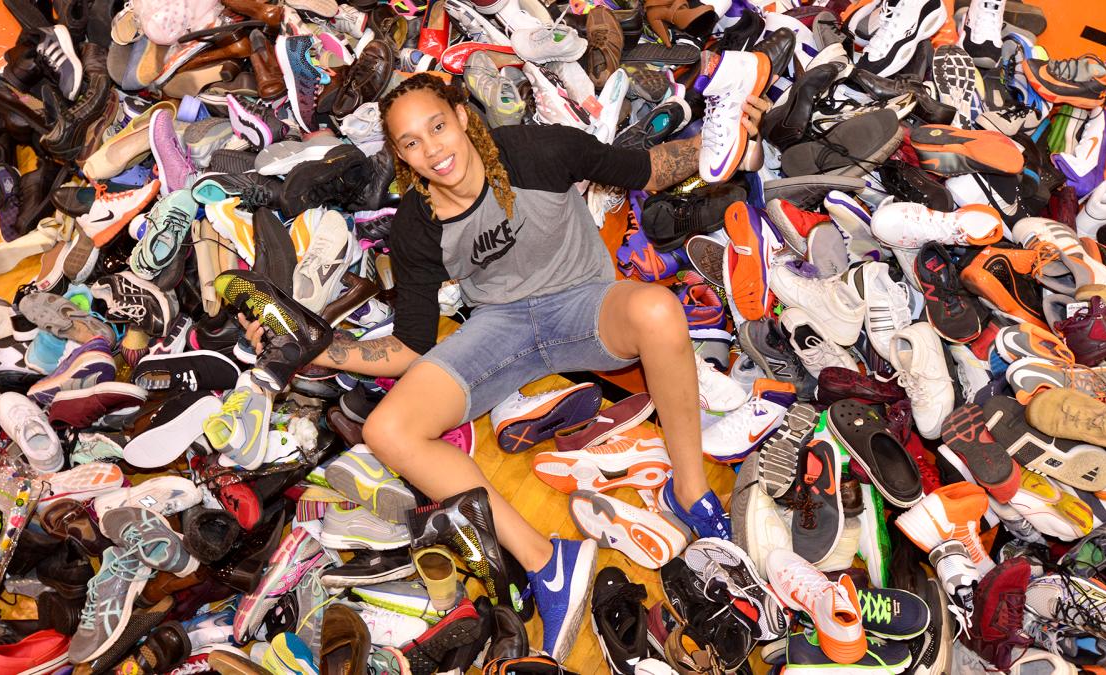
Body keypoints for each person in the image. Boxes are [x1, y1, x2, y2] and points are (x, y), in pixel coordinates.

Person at [241, 72, 764, 660]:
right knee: (388, 429)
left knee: (659, 310)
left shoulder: (539, 150)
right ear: (400, 155)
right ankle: (548, 561)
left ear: (463, 117)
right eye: (412, 142)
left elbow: (645, 169)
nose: (433, 150)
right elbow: (410, 345)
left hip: (584, 306)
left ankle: (688, 491)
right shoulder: (416, 224)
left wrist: (722, 140)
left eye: (437, 126)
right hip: (501, 329)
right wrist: (314, 349)